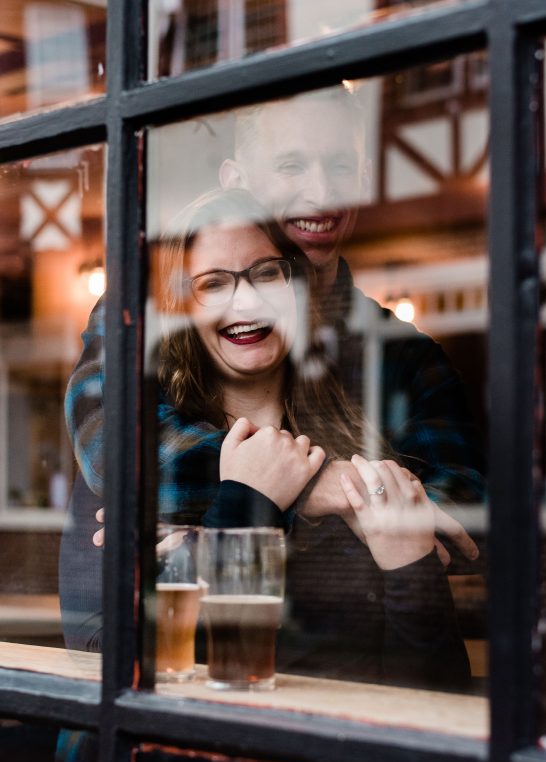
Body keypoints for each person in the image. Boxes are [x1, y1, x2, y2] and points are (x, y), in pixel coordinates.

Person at [62, 187, 470, 690]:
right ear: (182, 308)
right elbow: (128, 661)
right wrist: (249, 500)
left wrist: (410, 561)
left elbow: (435, 685)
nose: (247, 300)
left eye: (267, 273)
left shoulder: (362, 464)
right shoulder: (140, 466)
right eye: (213, 284)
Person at [64, 85, 485, 557]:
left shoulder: (405, 355)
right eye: (292, 166)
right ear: (235, 181)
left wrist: (217, 529)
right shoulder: (148, 308)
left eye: (341, 167)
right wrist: (318, 486)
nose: (322, 193)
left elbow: (461, 520)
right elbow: (115, 449)